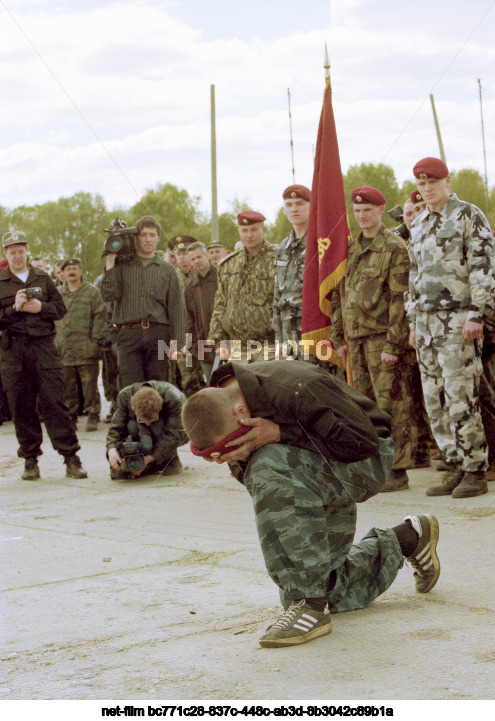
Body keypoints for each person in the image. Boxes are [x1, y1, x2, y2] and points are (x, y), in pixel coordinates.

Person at [182, 360, 441, 648]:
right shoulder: (227, 398)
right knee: (329, 585)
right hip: (318, 465)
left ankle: (309, 604)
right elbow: (262, 485)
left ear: (239, 412)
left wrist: (281, 433)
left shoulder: (296, 387)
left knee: (267, 465)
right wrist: (240, 457)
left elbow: (362, 442)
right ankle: (409, 537)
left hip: (366, 460)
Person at [330, 186, 430, 492]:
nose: (362, 216)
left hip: (382, 340)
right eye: (357, 212)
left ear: (380, 210)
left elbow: (401, 300)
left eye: (368, 211)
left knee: (393, 407)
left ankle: (398, 468)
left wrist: (393, 345)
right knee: (364, 406)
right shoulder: (348, 248)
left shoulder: (395, 247)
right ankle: (375, 465)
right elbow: (338, 294)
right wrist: (338, 335)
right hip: (356, 341)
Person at [407, 157, 495, 498]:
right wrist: (414, 323)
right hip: (427, 324)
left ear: (447, 182)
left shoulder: (468, 215)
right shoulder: (420, 224)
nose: (427, 189)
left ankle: (475, 467)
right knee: (435, 399)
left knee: (461, 397)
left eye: (433, 182)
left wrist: (478, 313)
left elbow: (484, 265)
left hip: (459, 321)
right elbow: (414, 278)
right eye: (421, 184)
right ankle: (454, 463)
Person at [0, 231, 88, 480]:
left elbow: (60, 309)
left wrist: (42, 308)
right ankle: (30, 460)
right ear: (5, 254)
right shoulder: (1, 282)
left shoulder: (43, 278)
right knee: (21, 405)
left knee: (55, 402)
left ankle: (71, 457)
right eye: (12, 251)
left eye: (21, 250)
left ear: (27, 251)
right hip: (13, 351)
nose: (17, 255)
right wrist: (13, 309)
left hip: (43, 348)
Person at [100, 215, 184, 388]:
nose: (148, 239)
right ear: (135, 238)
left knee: (160, 384)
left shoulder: (167, 270)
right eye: (143, 235)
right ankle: (133, 416)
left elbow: (176, 309)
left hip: (159, 334)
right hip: (128, 334)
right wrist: (110, 260)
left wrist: (179, 343)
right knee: (131, 386)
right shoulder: (121, 266)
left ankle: (159, 417)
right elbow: (109, 295)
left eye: (152, 235)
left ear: (158, 238)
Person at [209, 211, 276, 364]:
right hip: (236, 347)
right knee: (238, 388)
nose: (249, 235)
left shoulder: (278, 258)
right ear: (239, 232)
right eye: (244, 230)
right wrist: (218, 340)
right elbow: (220, 305)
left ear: (264, 231)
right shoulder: (228, 264)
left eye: (254, 230)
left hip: (269, 346)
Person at [55, 258, 108, 432]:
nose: (71, 272)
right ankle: (71, 415)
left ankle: (93, 414)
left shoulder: (91, 292)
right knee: (67, 386)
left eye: (75, 269)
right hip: (65, 348)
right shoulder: (58, 294)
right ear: (63, 273)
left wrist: (96, 341)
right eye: (68, 269)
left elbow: (100, 317)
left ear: (80, 271)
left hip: (86, 348)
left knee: (89, 385)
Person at [106, 381, 185, 480]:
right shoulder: (125, 396)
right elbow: (116, 427)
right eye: (142, 420)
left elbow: (174, 434)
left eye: (152, 419)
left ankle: (170, 458)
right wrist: (112, 449)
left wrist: (147, 460)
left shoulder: (173, 398)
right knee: (131, 426)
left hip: (178, 429)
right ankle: (134, 458)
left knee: (158, 426)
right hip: (139, 425)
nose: (147, 424)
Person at [272, 185, 310, 358]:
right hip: (288, 330)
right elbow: (277, 295)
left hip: (313, 327)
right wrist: (279, 338)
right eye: (289, 204)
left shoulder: (321, 244)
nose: (294, 208)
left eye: (300, 203)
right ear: (284, 210)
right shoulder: (282, 247)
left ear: (311, 205)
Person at [169, 235, 205, 397]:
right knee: (187, 374)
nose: (182, 258)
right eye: (178, 254)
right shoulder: (171, 276)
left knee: (205, 370)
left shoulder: (201, 275)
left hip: (201, 330)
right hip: (181, 332)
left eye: (185, 253)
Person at [185, 242, 218, 382]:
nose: (197, 261)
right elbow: (189, 319)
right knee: (211, 385)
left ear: (206, 255)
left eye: (199, 256)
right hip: (202, 344)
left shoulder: (222, 277)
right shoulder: (190, 286)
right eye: (192, 259)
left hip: (225, 342)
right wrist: (193, 346)